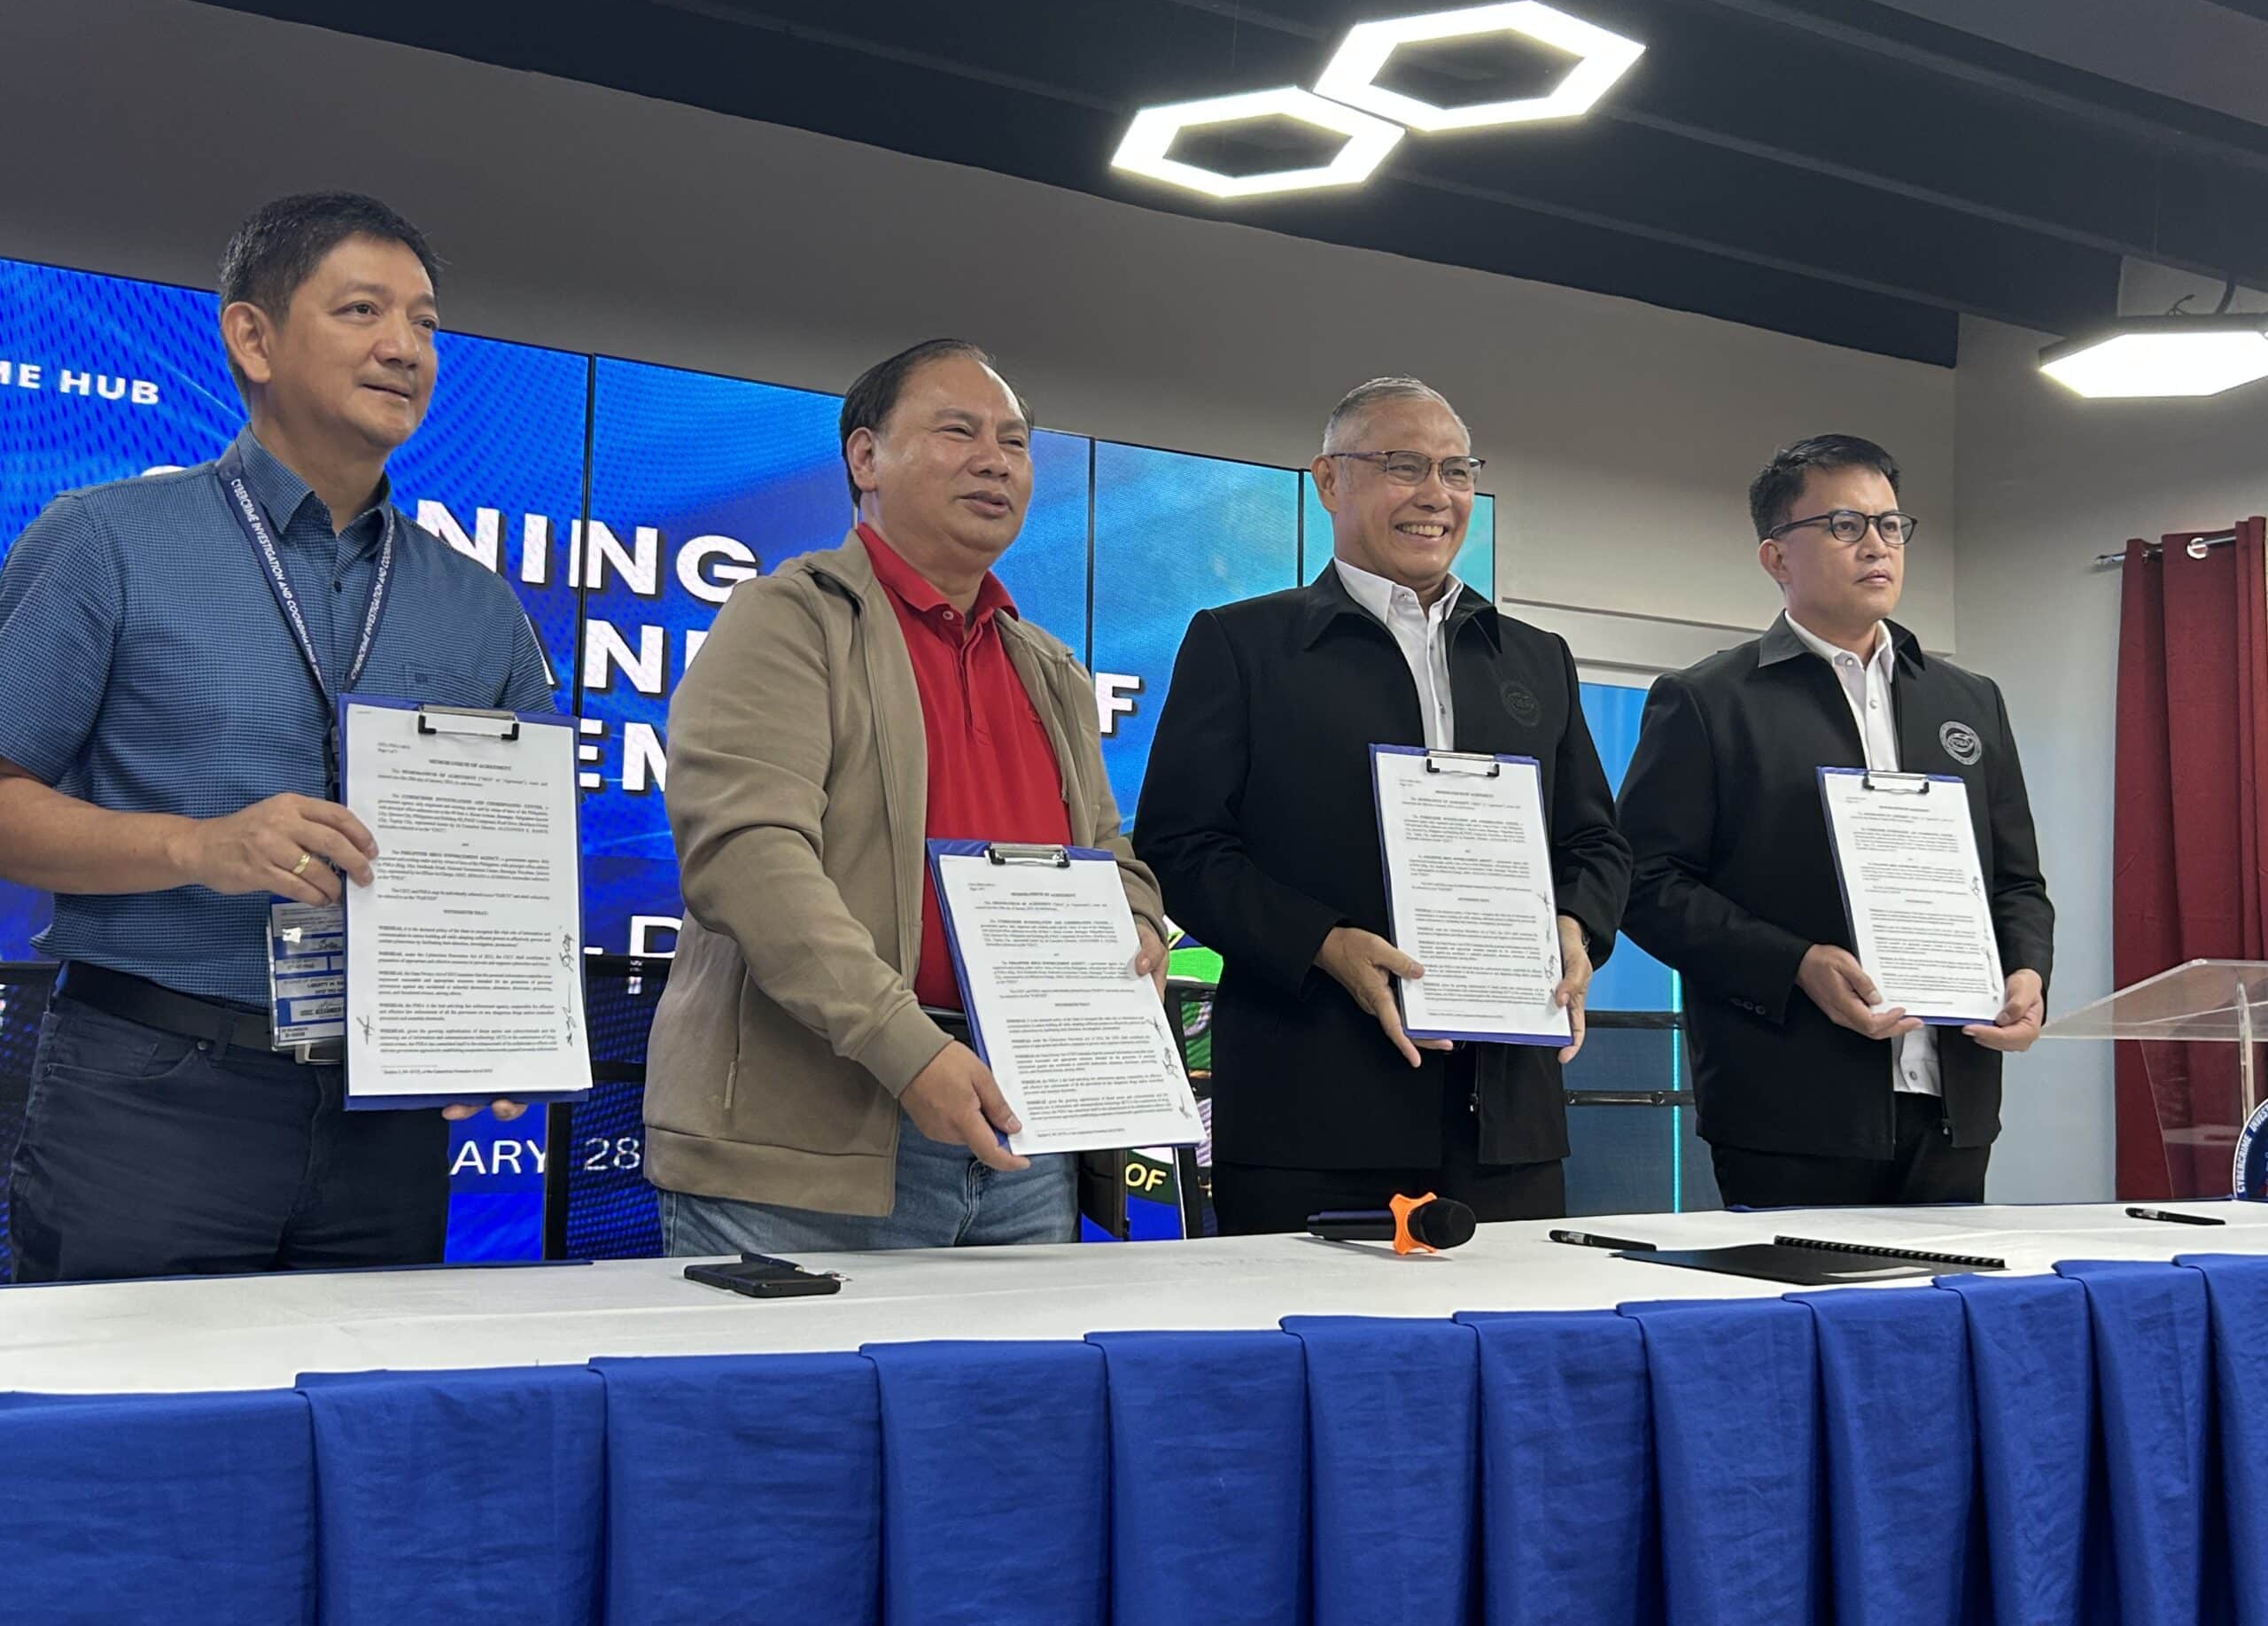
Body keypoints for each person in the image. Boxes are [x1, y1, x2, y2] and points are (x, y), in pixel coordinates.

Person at [0, 192, 550, 1282]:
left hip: (385, 1119)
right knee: (134, 1436)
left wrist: (497, 1018)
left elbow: (517, 852)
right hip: (153, 1091)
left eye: (427, 323)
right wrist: (195, 847)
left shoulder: (477, 606)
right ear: (252, 337)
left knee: (365, 1435)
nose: (405, 348)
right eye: (361, 311)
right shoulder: (107, 541)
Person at [645, 339, 1167, 1252]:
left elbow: (1105, 850)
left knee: (1012, 1401)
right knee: (792, 1403)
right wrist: (907, 1047)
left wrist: (1136, 923)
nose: (994, 460)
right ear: (864, 458)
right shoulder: (786, 619)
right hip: (806, 1158)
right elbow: (748, 862)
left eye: (1013, 440)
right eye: (957, 430)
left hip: (1021, 1140)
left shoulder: (1047, 668)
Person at [1134, 377, 1629, 1233]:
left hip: (1506, 1121)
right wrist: (1322, 943)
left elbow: (1597, 843)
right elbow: (1181, 848)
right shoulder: (1243, 644)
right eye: (1404, 466)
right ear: (1328, 482)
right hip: (1310, 1111)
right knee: (1313, 1360)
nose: (1436, 495)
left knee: (1515, 1356)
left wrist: (1576, 928)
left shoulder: (1537, 658)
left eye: (1457, 470)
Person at [1616, 434, 2053, 1206]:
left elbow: (2017, 881)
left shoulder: (1969, 700)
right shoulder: (1710, 701)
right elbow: (1644, 885)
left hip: (1954, 1100)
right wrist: (1794, 964)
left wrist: (2027, 971)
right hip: (1788, 1104)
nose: (1877, 545)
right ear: (1777, 557)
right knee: (1803, 1326)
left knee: (1943, 1321)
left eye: (1890, 525)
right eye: (1845, 526)